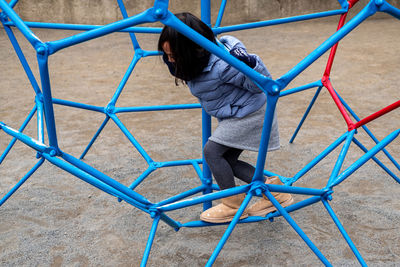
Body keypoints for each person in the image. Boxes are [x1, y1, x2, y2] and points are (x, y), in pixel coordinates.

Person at [158, 12, 293, 223]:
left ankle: (231, 205)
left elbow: (261, 84)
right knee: (227, 161)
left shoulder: (223, 65)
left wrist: (247, 64)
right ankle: (275, 192)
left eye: (174, 55)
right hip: (236, 113)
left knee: (212, 152)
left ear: (194, 50)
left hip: (250, 113)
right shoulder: (193, 64)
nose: (170, 60)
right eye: (167, 55)